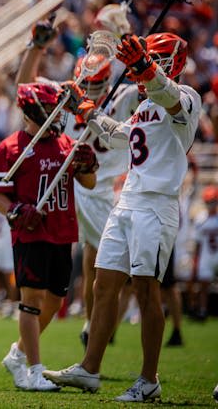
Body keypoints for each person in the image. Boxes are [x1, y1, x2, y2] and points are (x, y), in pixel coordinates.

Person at [43, 32, 201, 402]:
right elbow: (120, 136)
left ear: (169, 63)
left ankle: (149, 379)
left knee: (146, 289)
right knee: (103, 285)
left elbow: (170, 97)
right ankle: (89, 369)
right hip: (127, 200)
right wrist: (87, 113)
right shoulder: (144, 106)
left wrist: (147, 70)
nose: (143, 64)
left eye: (153, 58)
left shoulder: (185, 98)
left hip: (156, 204)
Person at [16, 10, 140, 347]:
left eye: (97, 83)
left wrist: (129, 41)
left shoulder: (122, 96)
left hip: (102, 190)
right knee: (105, 272)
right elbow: (25, 88)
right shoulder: (67, 92)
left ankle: (91, 326)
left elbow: (149, 91)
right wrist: (35, 49)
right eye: (87, 83)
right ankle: (90, 327)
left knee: (100, 269)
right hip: (75, 190)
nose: (91, 89)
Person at [0, 82, 98, 392]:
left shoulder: (65, 144)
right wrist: (16, 210)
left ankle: (18, 353)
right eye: (48, 110)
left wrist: (87, 163)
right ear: (31, 110)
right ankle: (35, 370)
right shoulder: (10, 148)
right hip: (31, 234)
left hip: (63, 231)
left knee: (55, 300)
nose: (54, 116)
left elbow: (88, 182)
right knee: (31, 301)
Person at [193, 185, 218, 322]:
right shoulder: (200, 218)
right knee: (203, 285)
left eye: (213, 201)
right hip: (206, 255)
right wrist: (195, 258)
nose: (210, 205)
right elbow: (198, 241)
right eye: (208, 202)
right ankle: (202, 310)